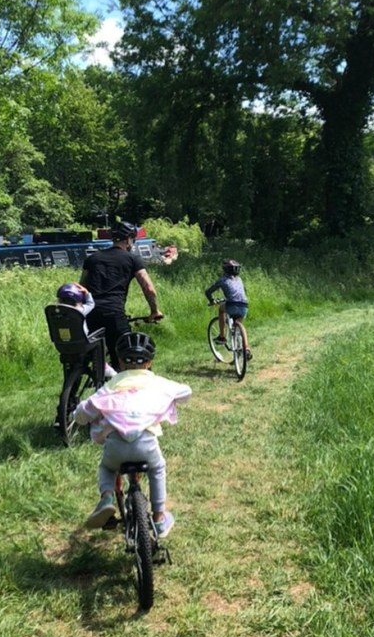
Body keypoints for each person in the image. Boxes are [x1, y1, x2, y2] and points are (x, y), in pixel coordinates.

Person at [74, 330, 191, 538]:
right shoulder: (157, 383)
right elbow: (185, 392)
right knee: (157, 468)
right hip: (146, 443)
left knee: (107, 468)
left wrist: (79, 417)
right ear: (149, 362)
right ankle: (158, 518)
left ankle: (107, 498)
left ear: (119, 361)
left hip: (115, 445)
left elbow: (84, 411)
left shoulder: (111, 385)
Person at [80, 220, 164, 370]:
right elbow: (149, 288)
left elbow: (82, 289)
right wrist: (154, 311)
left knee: (91, 354)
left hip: (90, 314)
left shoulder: (92, 259)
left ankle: (85, 381)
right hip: (114, 314)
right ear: (129, 240)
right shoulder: (133, 259)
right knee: (127, 355)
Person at [204, 258, 252, 360]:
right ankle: (246, 348)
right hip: (244, 306)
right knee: (240, 326)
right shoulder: (239, 280)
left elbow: (208, 292)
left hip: (231, 305)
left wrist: (212, 301)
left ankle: (222, 336)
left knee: (221, 310)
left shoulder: (223, 280)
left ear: (225, 270)